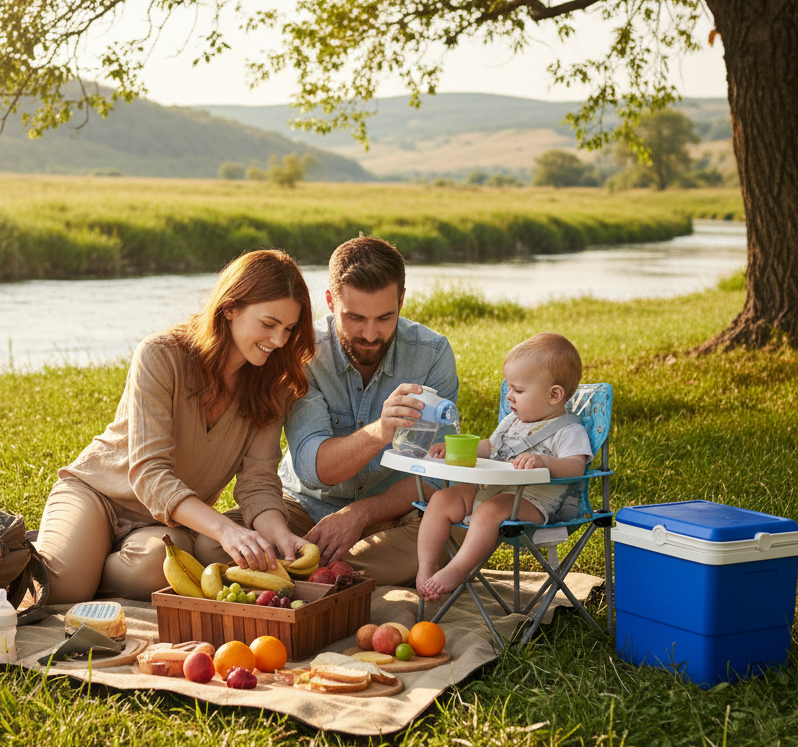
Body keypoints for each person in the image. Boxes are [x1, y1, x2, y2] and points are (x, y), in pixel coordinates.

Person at [34, 249, 316, 604]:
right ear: (230, 308)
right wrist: (225, 529)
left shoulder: (272, 383)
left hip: (166, 523)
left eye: (289, 329)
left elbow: (258, 481)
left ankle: (85, 559)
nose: (279, 341)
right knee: (63, 591)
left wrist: (280, 535)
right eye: (268, 324)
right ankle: (67, 553)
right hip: (100, 495)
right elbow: (149, 472)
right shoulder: (160, 355)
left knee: (160, 568)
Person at [216, 235, 458, 587]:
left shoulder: (432, 353)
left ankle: (304, 572)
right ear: (330, 302)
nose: (371, 334)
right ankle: (336, 573)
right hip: (302, 508)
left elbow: (437, 472)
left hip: (392, 515)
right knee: (210, 548)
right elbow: (312, 468)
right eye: (355, 317)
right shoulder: (303, 352)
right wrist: (382, 430)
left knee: (458, 533)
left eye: (385, 317)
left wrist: (361, 514)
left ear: (401, 301)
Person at [416, 332, 593, 600]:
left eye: (518, 390)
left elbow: (575, 467)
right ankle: (427, 566)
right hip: (492, 489)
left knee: (489, 512)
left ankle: (458, 569)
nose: (509, 396)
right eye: (509, 388)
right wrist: (455, 450)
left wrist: (544, 462)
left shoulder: (568, 430)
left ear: (554, 395)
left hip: (533, 501)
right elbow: (490, 447)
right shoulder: (512, 421)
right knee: (441, 499)